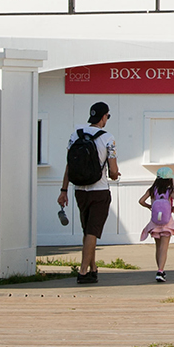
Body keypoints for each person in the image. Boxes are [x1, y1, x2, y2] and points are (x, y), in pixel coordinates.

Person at [59, 102, 119, 283]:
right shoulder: (108, 138)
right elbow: (113, 170)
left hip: (79, 190)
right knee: (93, 231)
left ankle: (93, 269)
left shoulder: (75, 135)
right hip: (99, 191)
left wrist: (63, 190)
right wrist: (115, 176)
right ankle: (83, 271)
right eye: (107, 116)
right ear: (104, 117)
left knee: (87, 231)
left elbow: (69, 165)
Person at [139, 167, 174, 283]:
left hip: (155, 223)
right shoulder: (169, 190)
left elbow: (141, 201)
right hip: (167, 222)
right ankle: (160, 271)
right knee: (164, 248)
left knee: (158, 248)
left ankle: (160, 270)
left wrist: (149, 207)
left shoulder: (152, 190)